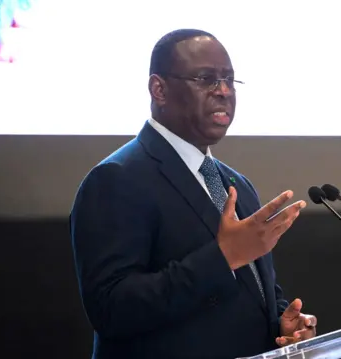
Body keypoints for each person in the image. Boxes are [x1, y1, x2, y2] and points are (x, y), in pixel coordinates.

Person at [69, 28, 317, 359]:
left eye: (230, 80)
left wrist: (281, 326)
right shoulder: (116, 179)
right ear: (159, 89)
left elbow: (250, 295)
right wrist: (223, 256)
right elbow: (112, 309)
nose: (224, 91)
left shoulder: (236, 184)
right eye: (207, 79)